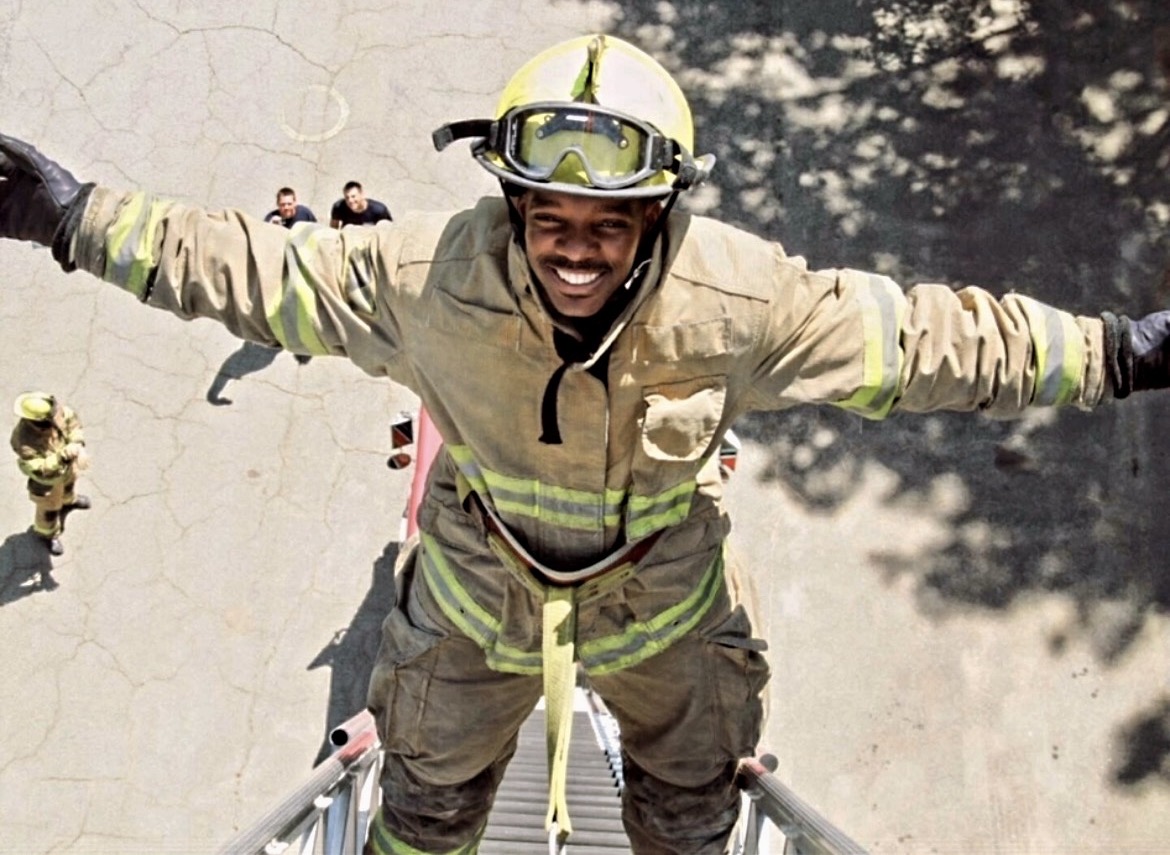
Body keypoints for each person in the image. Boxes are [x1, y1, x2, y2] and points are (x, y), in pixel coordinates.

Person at [0, 32, 1168, 855]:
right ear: (511, 204)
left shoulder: (736, 301)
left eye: (610, 222)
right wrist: (75, 217)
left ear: (659, 214)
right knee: (425, 812)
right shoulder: (425, 282)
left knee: (689, 814)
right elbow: (251, 270)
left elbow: (919, 342)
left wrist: (1117, 352)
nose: (574, 248)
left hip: (666, 619)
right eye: (547, 216)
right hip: (474, 611)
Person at [10, 392, 90, 556]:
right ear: (37, 420)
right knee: (49, 510)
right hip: (47, 481)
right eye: (49, 419)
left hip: (67, 468)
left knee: (69, 485)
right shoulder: (23, 440)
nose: (54, 418)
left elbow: (73, 424)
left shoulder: (56, 413)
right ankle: (48, 534)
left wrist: (77, 444)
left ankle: (69, 501)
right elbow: (40, 468)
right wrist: (63, 456)